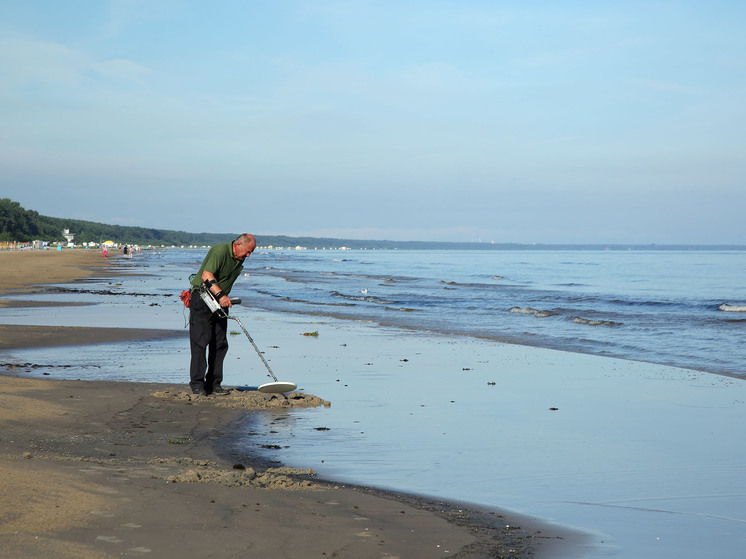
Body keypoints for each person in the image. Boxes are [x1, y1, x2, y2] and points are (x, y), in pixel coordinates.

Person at [188, 233, 256, 395]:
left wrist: (222, 298)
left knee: (220, 344)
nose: (248, 255)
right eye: (247, 251)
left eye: (250, 253)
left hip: (219, 302)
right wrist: (221, 295)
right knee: (200, 341)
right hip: (203, 297)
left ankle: (214, 383)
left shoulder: (239, 258)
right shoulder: (220, 251)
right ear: (238, 244)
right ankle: (197, 384)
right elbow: (207, 275)